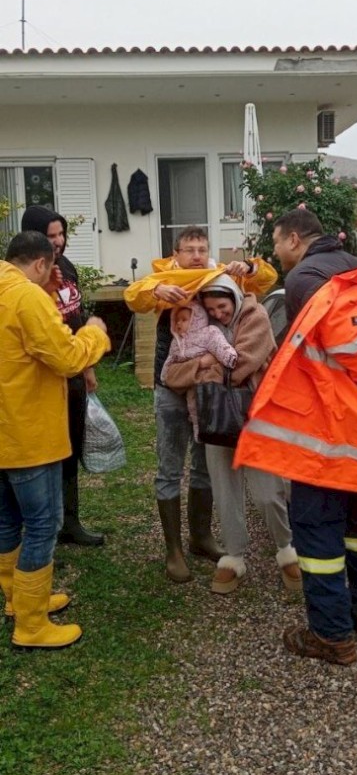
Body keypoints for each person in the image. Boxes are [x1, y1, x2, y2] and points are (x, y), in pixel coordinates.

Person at [235, 209, 357, 665]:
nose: (275, 251)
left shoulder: (307, 276)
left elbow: (351, 340)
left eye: (276, 241)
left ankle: (331, 635)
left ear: (291, 238)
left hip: (331, 437)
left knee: (318, 534)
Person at [124, 226, 278, 584]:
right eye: (188, 248)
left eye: (201, 248)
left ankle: (201, 537)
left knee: (205, 464)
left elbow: (266, 279)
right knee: (169, 466)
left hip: (208, 390)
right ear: (175, 254)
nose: (195, 254)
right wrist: (155, 288)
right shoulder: (164, 279)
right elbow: (134, 297)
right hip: (170, 388)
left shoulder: (219, 275)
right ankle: (173, 549)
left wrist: (250, 270)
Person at [0, 232, 110, 649]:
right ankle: (31, 624)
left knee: (8, 520)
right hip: (30, 432)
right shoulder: (27, 298)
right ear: (43, 264)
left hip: (4, 431)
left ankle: (19, 598)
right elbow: (65, 357)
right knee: (43, 523)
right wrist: (96, 333)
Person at [164, 274, 302, 595]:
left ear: (234, 298)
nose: (218, 314)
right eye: (211, 310)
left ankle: (285, 548)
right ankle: (234, 555)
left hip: (255, 417)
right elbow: (171, 375)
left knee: (267, 492)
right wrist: (206, 360)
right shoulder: (198, 328)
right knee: (224, 490)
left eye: (222, 307)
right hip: (216, 420)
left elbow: (240, 363)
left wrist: (201, 369)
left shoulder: (256, 317)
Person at [21, 204, 104, 546]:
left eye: (61, 234)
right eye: (50, 236)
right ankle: (44, 529)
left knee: (72, 444)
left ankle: (70, 521)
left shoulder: (65, 267)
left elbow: (76, 316)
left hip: (74, 366)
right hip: (47, 373)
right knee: (48, 452)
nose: (58, 242)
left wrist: (88, 366)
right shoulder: (30, 279)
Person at [161, 301, 237, 438]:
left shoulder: (208, 332)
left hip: (209, 376)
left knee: (212, 403)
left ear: (197, 319)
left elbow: (219, 344)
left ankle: (215, 427)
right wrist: (164, 374)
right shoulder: (176, 341)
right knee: (193, 405)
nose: (179, 323)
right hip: (191, 381)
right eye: (177, 320)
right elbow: (171, 359)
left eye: (184, 320)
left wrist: (229, 357)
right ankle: (199, 430)